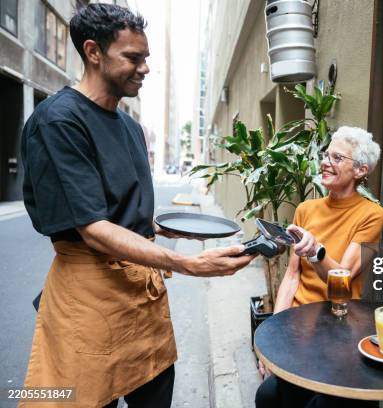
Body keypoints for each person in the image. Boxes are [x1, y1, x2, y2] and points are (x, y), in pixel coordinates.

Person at [19, 4, 254, 408]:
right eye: (133, 57)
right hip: (89, 296)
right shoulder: (58, 121)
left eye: (145, 57)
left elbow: (127, 213)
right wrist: (187, 264)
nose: (145, 67)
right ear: (93, 52)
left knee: (156, 393)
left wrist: (169, 229)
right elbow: (92, 227)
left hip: (142, 299)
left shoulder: (131, 127)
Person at [255, 126, 383, 408]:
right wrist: (272, 338)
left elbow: (343, 276)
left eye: (337, 158)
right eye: (326, 155)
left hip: (337, 332)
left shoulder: (372, 216)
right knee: (268, 397)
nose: (326, 162)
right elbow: (292, 275)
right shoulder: (306, 209)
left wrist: (316, 251)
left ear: (361, 170)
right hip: (297, 329)